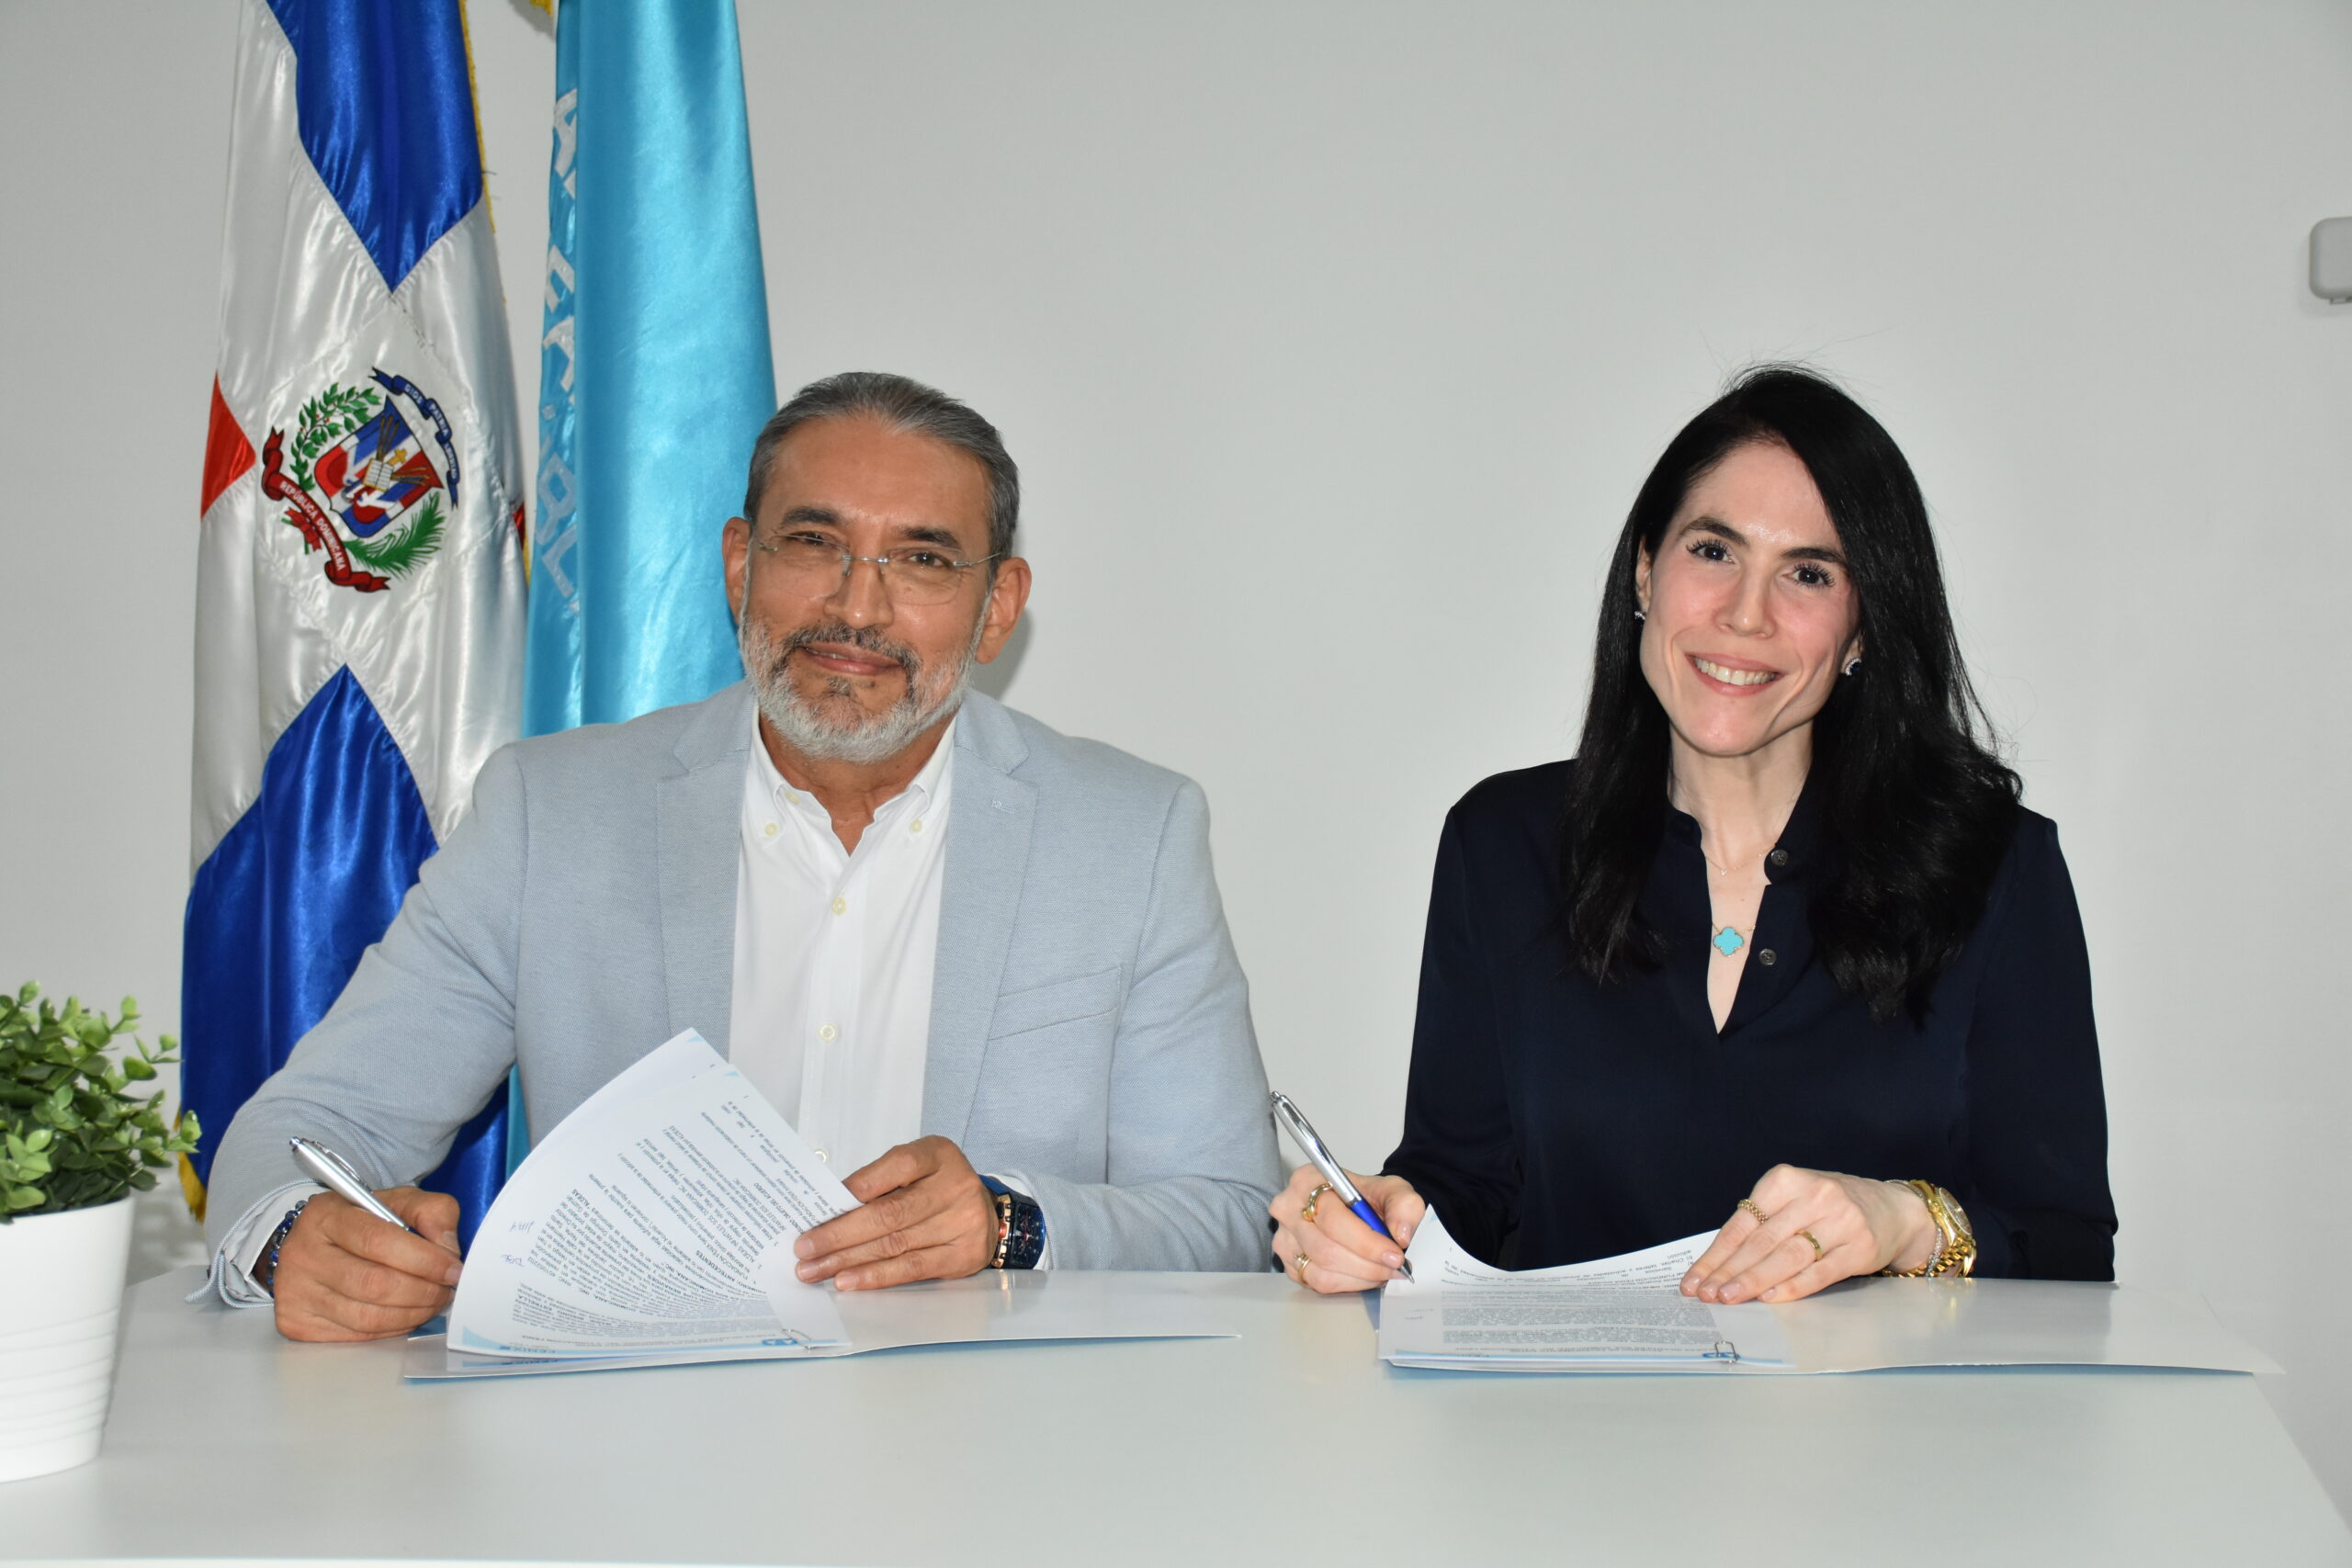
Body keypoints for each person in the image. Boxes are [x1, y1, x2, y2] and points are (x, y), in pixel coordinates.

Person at [205, 370, 1280, 1340]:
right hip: (637, 1442)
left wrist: (1013, 1224)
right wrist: (292, 1239)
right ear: (737, 565)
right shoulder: (553, 814)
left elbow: (1228, 1214)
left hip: (992, 1451)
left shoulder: (1130, 835)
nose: (857, 607)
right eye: (813, 545)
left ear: (997, 607)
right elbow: (301, 1130)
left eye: (921, 559)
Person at [1272, 366, 2114, 1303]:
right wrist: (1376, 1220)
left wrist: (1902, 1220)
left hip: (1882, 1438)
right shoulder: (1500, 844)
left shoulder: (1996, 866)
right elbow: (1468, 1187)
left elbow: (2069, 1247)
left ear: (1862, 629)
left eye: (1807, 573)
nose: (1745, 614)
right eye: (1713, 552)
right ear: (1644, 570)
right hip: (1568, 1435)